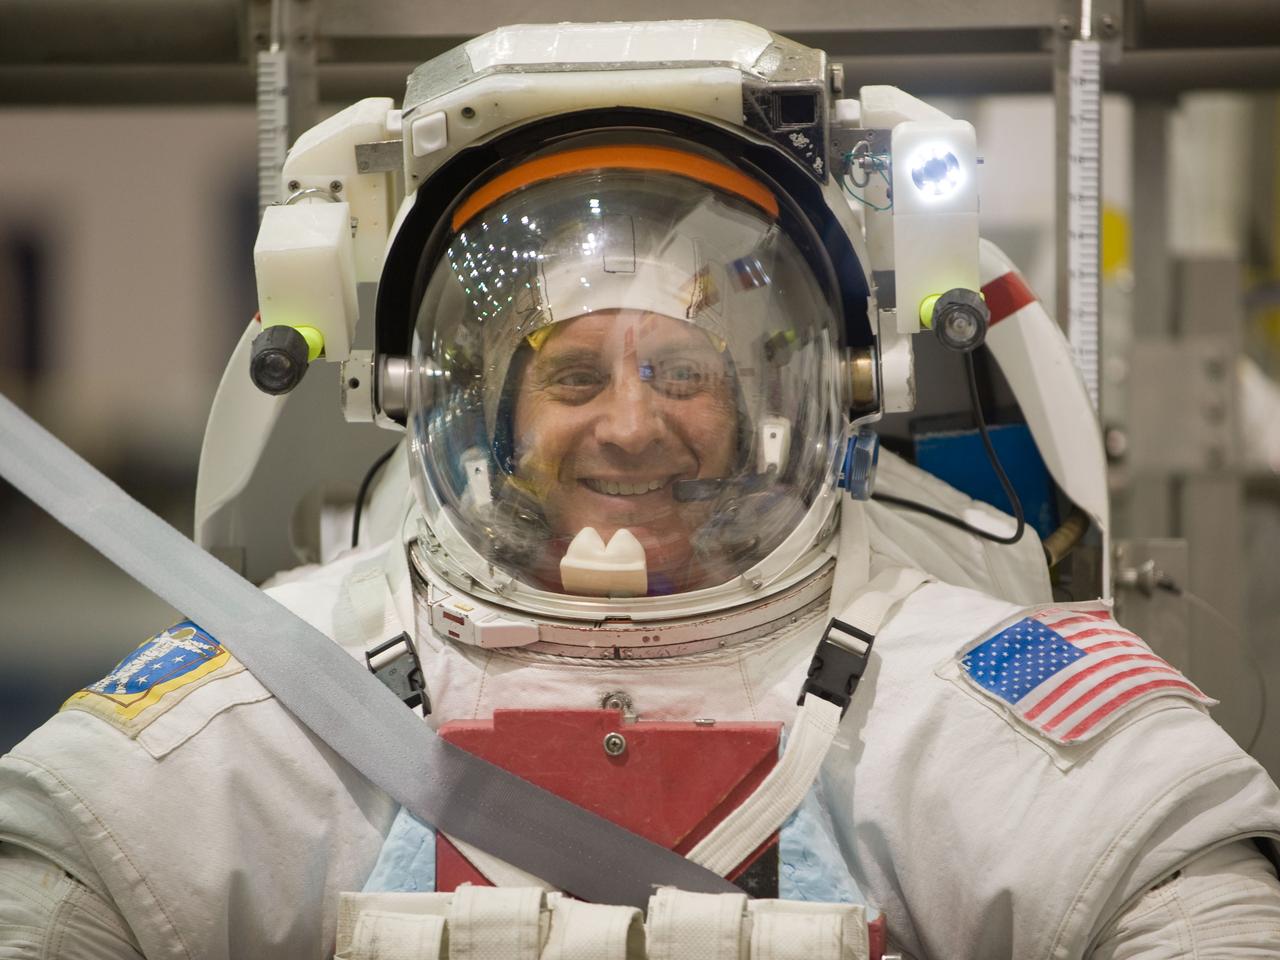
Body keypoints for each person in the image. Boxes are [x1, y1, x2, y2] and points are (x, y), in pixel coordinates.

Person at [4, 23, 1280, 960]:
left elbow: (1181, 888)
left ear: (789, 397)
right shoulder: (308, 679)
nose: (629, 425)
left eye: (681, 369)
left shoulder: (939, 681)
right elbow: (65, 870)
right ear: (472, 410)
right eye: (570, 375)